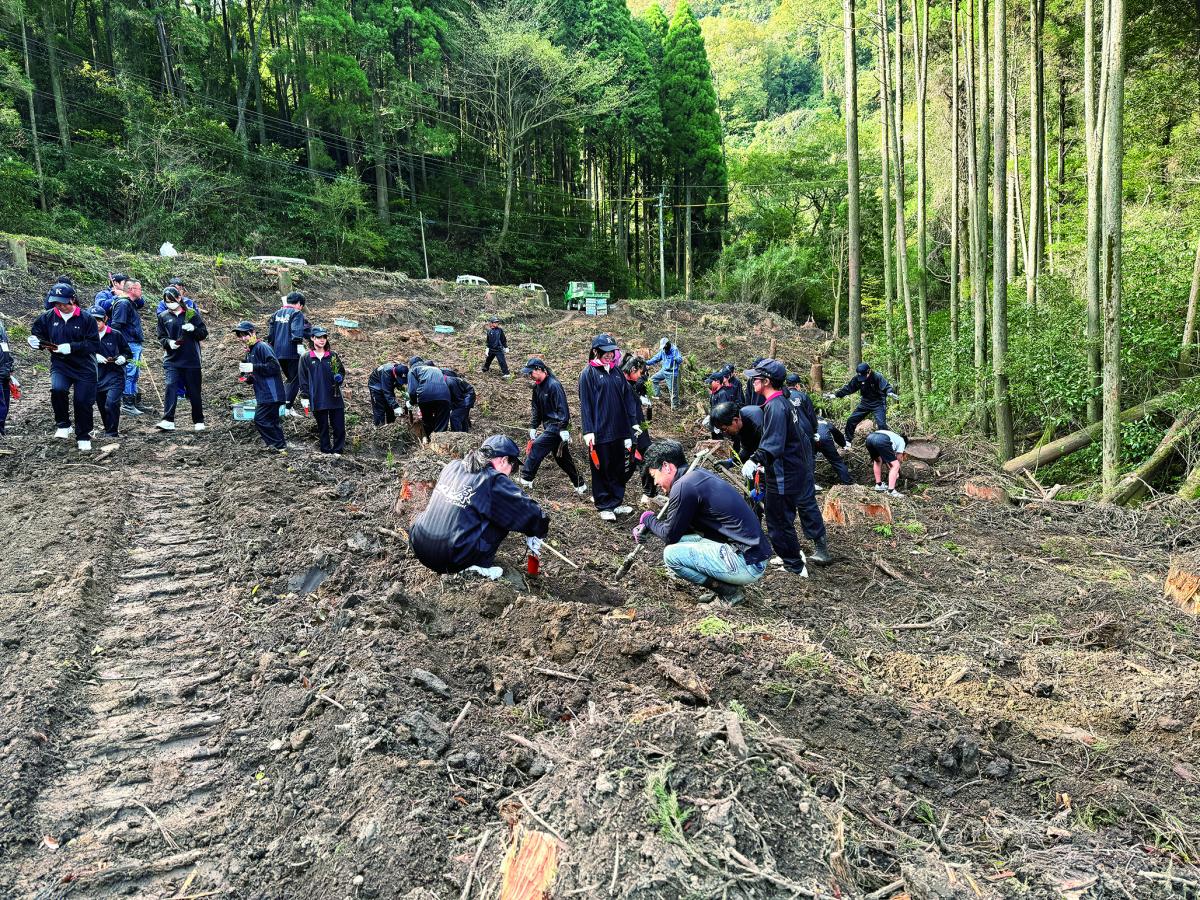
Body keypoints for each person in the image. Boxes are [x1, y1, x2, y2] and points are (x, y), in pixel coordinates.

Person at [635, 440, 771, 605]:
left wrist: (647, 518)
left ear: (666, 466)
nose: (655, 482)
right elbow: (677, 530)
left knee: (671, 555)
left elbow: (669, 535)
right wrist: (652, 526)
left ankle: (729, 592)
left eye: (654, 475)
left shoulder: (684, 486)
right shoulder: (696, 476)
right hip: (752, 556)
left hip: (747, 563)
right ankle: (729, 586)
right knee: (682, 541)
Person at [409, 434, 550, 579]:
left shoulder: (453, 466)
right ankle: (476, 566)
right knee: (502, 515)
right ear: (504, 460)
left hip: (419, 546)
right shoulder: (492, 480)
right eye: (512, 468)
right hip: (452, 558)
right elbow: (529, 511)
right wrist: (537, 530)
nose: (510, 474)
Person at [742, 359, 832, 572]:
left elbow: (774, 442)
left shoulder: (776, 406)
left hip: (785, 474)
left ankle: (794, 565)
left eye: (756, 378)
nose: (752, 381)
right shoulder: (781, 401)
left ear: (766, 381)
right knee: (780, 518)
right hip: (791, 468)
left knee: (779, 520)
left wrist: (756, 460)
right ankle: (791, 558)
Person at [30, 283, 100, 451]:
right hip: (60, 364)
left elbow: (93, 344)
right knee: (58, 389)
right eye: (56, 302)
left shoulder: (86, 318)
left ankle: (83, 435)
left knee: (82, 401)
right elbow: (37, 334)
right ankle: (63, 424)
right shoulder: (47, 317)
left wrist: (72, 347)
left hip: (84, 366)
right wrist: (35, 342)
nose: (60, 306)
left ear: (72, 299)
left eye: (63, 302)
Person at [578, 333, 639, 521]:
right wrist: (588, 430)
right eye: (605, 352)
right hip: (600, 431)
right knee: (601, 468)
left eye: (612, 352)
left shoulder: (617, 372)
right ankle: (604, 504)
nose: (609, 355)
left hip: (619, 429)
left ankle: (616, 501)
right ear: (595, 352)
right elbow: (585, 404)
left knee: (618, 467)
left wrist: (632, 424)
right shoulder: (588, 374)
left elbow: (628, 399)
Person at [518, 357, 587, 494]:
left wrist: (562, 427)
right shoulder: (537, 387)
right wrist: (533, 426)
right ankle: (580, 484)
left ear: (539, 369)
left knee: (537, 446)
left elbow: (562, 408)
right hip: (549, 426)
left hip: (556, 426)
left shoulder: (554, 385)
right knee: (562, 459)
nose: (529, 375)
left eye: (531, 372)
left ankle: (526, 479)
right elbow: (536, 409)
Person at [154, 286, 208, 432]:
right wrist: (169, 343)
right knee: (171, 385)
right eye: (166, 301)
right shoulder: (163, 316)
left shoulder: (191, 314)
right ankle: (168, 419)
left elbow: (203, 333)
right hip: (172, 359)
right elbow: (161, 337)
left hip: (191, 359)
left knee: (194, 390)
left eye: (172, 300)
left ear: (179, 298)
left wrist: (194, 329)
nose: (170, 303)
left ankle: (198, 420)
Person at [233, 321, 288, 452]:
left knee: (260, 419)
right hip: (263, 392)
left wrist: (253, 367)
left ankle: (276, 445)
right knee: (272, 420)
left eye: (245, 335)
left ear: (253, 333)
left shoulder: (262, 346)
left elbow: (274, 367)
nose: (243, 338)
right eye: (240, 336)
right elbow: (256, 374)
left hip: (271, 392)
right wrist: (248, 377)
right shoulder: (250, 351)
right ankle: (281, 446)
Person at [297, 326, 347, 455]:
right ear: (313, 338)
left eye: (324, 337)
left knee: (339, 426)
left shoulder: (332, 356)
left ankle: (338, 450)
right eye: (319, 337)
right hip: (317, 396)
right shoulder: (306, 357)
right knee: (323, 427)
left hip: (334, 396)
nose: (322, 340)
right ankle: (325, 450)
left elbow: (341, 371)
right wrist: (305, 396)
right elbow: (303, 379)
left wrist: (339, 378)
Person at [826, 362, 898, 445]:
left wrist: (890, 392)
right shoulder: (858, 378)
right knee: (851, 420)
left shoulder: (877, 377)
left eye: (864, 375)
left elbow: (886, 386)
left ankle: (887, 443)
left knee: (881, 425)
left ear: (869, 371)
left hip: (878, 403)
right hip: (865, 403)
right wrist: (836, 395)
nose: (862, 378)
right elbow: (849, 388)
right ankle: (848, 441)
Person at [88, 306, 131, 438]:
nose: (96, 323)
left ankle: (112, 432)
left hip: (114, 374)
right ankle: (108, 428)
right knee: (102, 405)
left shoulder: (115, 334)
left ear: (105, 319)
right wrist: (94, 356)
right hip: (96, 376)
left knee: (111, 402)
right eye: (92, 320)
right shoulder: (86, 335)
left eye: (98, 320)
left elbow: (127, 352)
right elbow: (80, 352)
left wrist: (123, 358)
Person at [267, 291, 311, 416]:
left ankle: (285, 406)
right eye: (301, 306)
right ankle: (286, 408)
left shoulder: (276, 314)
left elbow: (270, 335)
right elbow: (296, 332)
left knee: (290, 378)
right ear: (298, 304)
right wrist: (299, 346)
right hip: (291, 352)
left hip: (277, 352)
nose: (300, 308)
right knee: (296, 379)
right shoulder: (297, 313)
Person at [622, 356, 658, 502]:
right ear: (632, 369)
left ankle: (649, 494)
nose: (641, 377)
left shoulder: (630, 383)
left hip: (639, 427)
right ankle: (606, 492)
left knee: (647, 457)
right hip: (630, 429)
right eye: (640, 373)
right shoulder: (620, 384)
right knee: (631, 462)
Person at [109, 278, 146, 417]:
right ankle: (127, 404)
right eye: (139, 289)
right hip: (128, 344)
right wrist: (120, 347)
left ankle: (134, 400)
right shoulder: (123, 304)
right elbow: (116, 326)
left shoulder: (131, 303)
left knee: (135, 373)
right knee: (129, 373)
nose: (141, 291)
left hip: (134, 344)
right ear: (131, 290)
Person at [407, 356, 452, 437]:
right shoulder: (436, 369)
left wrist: (411, 402)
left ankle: (428, 440)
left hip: (425, 397)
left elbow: (412, 391)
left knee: (427, 420)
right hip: (444, 396)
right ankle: (440, 440)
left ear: (411, 365)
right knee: (441, 421)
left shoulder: (413, 370)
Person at [866, 429, 908, 497]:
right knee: (896, 465)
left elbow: (888, 459)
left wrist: (891, 468)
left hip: (869, 438)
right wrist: (896, 471)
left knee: (878, 460)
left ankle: (879, 485)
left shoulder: (894, 437)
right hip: (881, 440)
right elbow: (898, 458)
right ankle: (891, 491)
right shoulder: (902, 441)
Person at [813, 415, 853, 486]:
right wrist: (843, 445)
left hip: (812, 440)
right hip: (825, 440)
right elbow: (838, 435)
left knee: (809, 461)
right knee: (837, 461)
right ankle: (848, 483)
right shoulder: (826, 423)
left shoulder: (809, 423)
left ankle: (811, 484)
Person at [647, 337, 683, 408]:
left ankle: (675, 406)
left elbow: (680, 359)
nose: (664, 349)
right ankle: (657, 395)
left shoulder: (674, 350)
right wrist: (646, 363)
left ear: (667, 344)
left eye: (665, 347)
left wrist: (676, 359)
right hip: (664, 371)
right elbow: (656, 358)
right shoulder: (663, 351)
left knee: (673, 391)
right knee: (653, 379)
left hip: (671, 373)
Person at [0, 320, 14, 437]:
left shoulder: (0, 325)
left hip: (4, 370)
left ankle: (1, 429)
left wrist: (10, 364)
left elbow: (5, 347)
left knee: (5, 402)